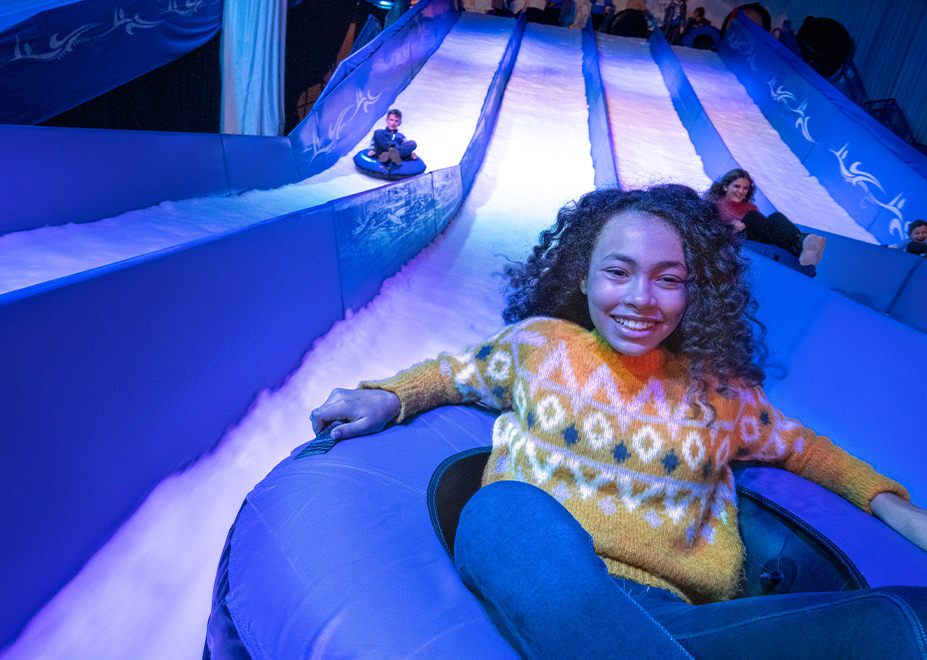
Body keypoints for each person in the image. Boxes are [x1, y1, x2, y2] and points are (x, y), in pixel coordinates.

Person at [311, 185, 927, 659]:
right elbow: (454, 372)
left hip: (679, 619)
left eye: (669, 280)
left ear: (695, 293)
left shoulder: (718, 391)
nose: (640, 298)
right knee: (504, 512)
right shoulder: (540, 346)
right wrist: (391, 396)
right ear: (583, 276)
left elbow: (806, 450)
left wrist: (892, 506)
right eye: (618, 271)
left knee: (896, 620)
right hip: (540, 574)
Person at [705, 169, 827, 267]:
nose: (741, 191)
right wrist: (731, 227)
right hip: (734, 237)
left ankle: (803, 242)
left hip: (758, 237)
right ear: (726, 187)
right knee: (752, 217)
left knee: (776, 216)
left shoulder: (750, 206)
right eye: (737, 186)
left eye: (745, 188)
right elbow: (708, 230)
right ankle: (801, 245)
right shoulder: (715, 204)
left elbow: (765, 228)